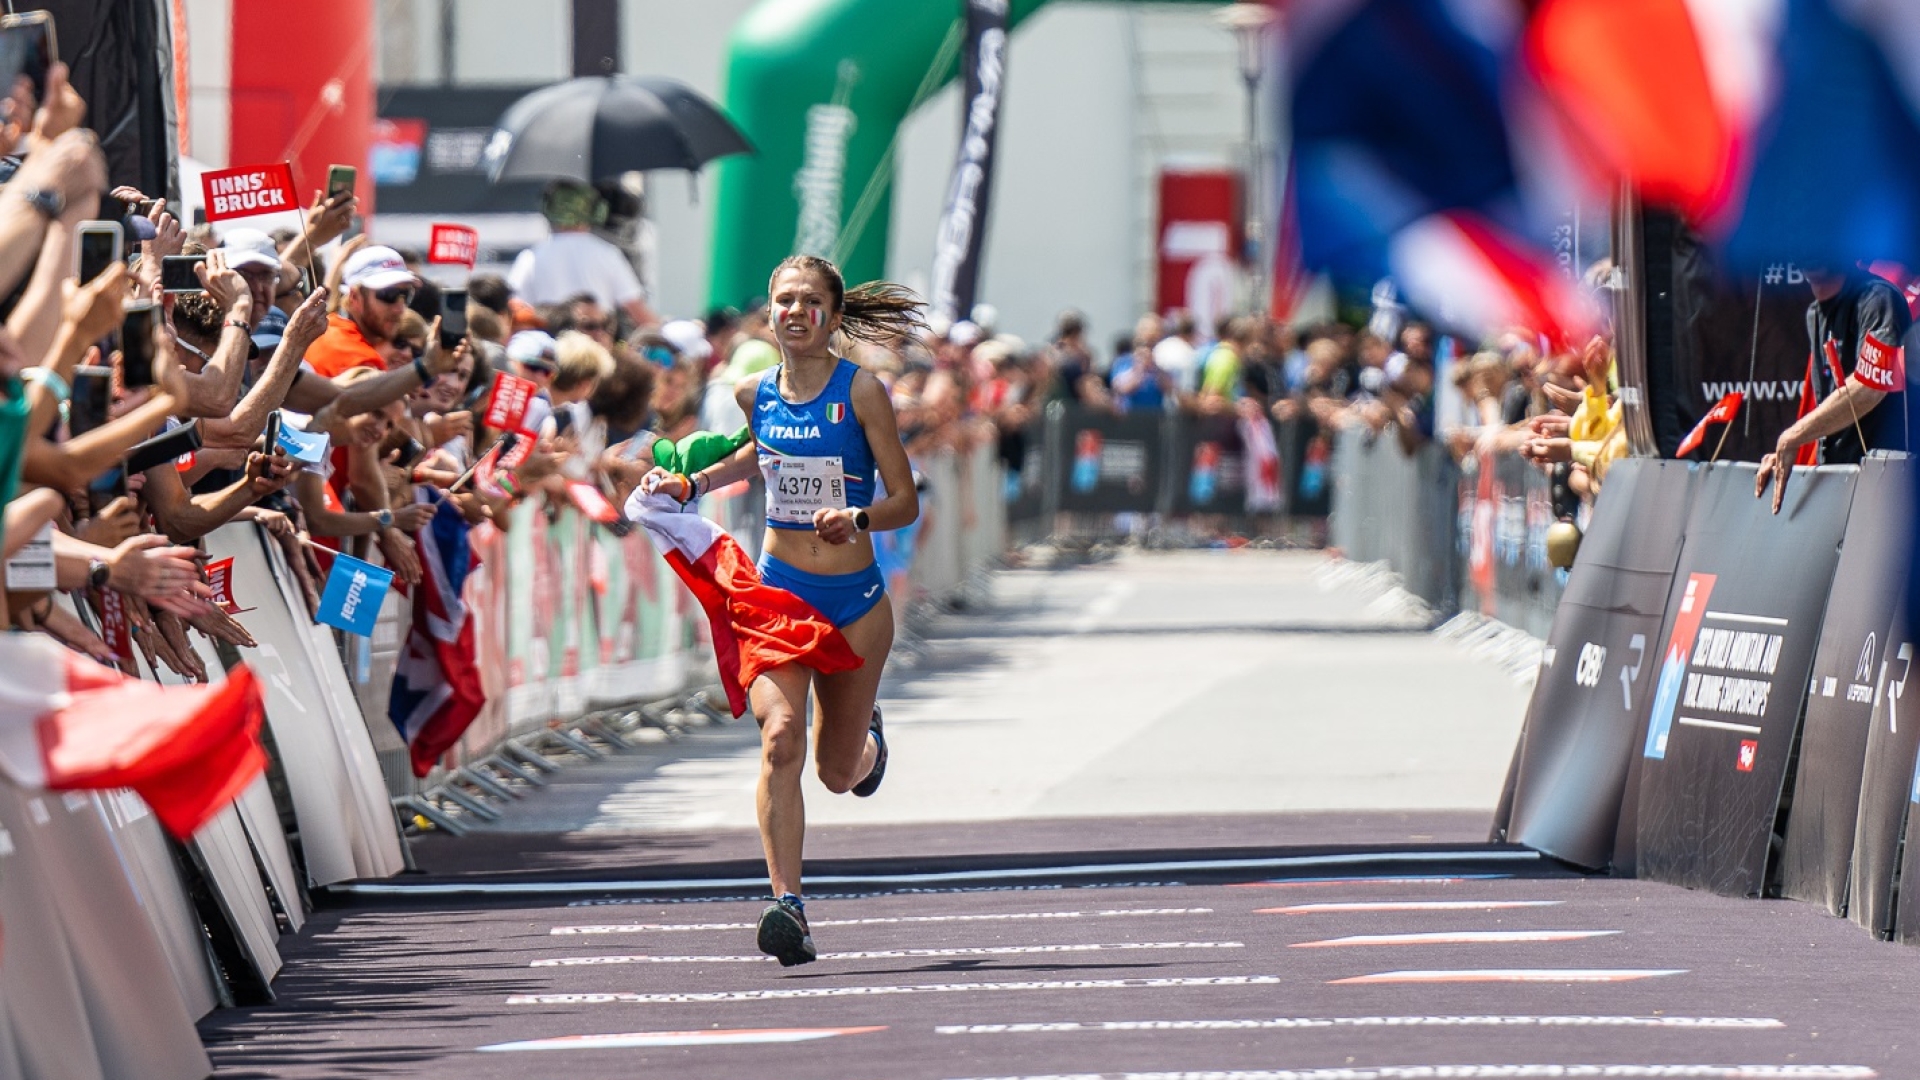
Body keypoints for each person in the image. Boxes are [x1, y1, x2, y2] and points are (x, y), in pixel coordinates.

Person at [645, 254, 921, 967]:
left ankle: (868, 747)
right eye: (783, 300)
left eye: (808, 300)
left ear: (832, 314)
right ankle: (786, 905)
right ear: (769, 313)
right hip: (777, 597)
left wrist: (857, 519)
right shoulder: (751, 392)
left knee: (836, 772)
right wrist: (690, 483)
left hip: (856, 603)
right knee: (780, 737)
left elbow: (905, 500)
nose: (794, 311)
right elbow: (755, 454)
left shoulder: (863, 393)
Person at [1755, 263, 1915, 512]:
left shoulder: (1877, 298)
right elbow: (1829, 406)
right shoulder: (1814, 314)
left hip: (1888, 491)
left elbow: (1871, 384)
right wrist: (1786, 455)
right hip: (1840, 485)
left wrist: (1793, 436)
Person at [508, 183, 654, 328]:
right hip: (596, 343)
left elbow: (514, 306)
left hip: (549, 342)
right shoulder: (607, 253)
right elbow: (637, 311)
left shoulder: (530, 257)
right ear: (595, 211)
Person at [304, 245, 418, 378]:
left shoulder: (331, 328)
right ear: (354, 297)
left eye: (406, 294)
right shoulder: (358, 357)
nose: (399, 309)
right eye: (389, 295)